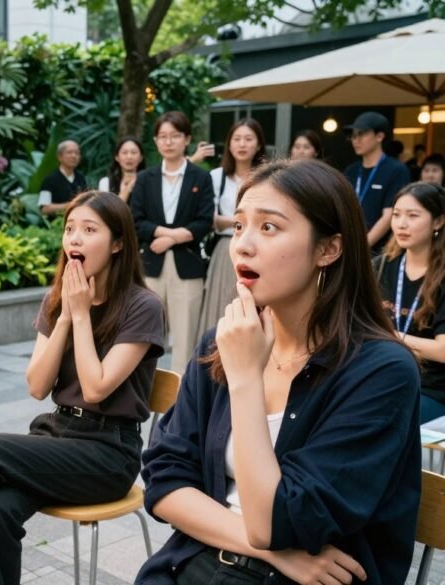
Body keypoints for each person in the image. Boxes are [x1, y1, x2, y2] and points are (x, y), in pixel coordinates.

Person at [137, 159, 422, 584]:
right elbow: (163, 480)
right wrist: (272, 552)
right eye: (238, 226)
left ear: (328, 249)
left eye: (268, 227)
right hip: (197, 563)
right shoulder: (223, 341)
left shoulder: (381, 371)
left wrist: (247, 378)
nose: (243, 246)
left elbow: (278, 521)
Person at [0, 191, 165, 585]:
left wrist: (80, 315)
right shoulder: (58, 298)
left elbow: (96, 388)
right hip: (58, 435)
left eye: (89, 229)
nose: (74, 239)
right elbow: (37, 385)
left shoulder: (142, 305)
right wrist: (65, 314)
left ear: (117, 243)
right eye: (69, 228)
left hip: (108, 453)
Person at [130, 110, 215, 375]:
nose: (168, 142)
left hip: (187, 267)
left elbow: (204, 222)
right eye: (162, 136)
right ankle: (141, 391)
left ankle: (180, 402)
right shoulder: (145, 178)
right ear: (155, 141)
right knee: (144, 335)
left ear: (187, 139)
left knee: (186, 338)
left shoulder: (201, 178)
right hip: (150, 265)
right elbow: (136, 219)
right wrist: (163, 234)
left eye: (175, 136)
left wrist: (169, 239)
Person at [380, 181, 445, 423]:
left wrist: (389, 335)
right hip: (382, 374)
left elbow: (442, 350)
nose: (401, 224)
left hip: (429, 389)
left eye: (413, 215)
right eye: (396, 215)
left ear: (438, 222)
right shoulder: (380, 267)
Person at [199, 118, 266, 332]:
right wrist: (247, 222)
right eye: (237, 139)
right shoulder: (216, 176)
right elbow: (210, 218)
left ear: (259, 144)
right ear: (229, 144)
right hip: (224, 248)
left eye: (248, 139)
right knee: (220, 305)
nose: (242, 144)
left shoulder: (266, 178)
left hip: (259, 249)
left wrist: (233, 221)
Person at [342, 111, 410, 254]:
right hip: (350, 245)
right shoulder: (352, 170)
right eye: (353, 135)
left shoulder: (396, 170)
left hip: (380, 252)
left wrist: (361, 246)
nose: (356, 140)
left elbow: (389, 215)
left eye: (361, 134)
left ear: (379, 136)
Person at [38, 140, 87, 216]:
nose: (74, 156)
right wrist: (70, 205)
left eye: (77, 153)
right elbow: (44, 208)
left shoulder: (81, 179)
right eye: (69, 152)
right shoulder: (49, 180)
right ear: (59, 156)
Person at [99, 136, 146, 203]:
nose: (129, 157)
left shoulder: (149, 182)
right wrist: (126, 191)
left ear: (141, 158)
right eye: (124, 152)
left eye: (133, 152)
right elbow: (107, 212)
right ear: (117, 157)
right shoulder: (106, 182)